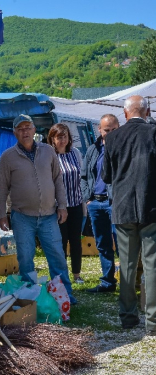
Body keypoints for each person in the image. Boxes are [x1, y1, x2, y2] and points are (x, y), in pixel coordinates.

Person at [0, 114, 77, 305]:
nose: (25, 132)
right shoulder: (8, 157)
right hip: (22, 216)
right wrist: (1, 215)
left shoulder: (48, 151)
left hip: (49, 215)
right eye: (21, 129)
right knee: (25, 258)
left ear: (34, 130)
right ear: (15, 132)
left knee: (57, 255)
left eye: (28, 127)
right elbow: (1, 188)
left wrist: (62, 206)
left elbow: (58, 179)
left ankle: (65, 294)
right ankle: (29, 297)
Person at [102, 95, 156, 333]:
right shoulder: (154, 133)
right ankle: (153, 322)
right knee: (153, 265)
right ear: (147, 112)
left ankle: (128, 317)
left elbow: (106, 176)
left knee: (127, 265)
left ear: (124, 114)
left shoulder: (112, 138)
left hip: (123, 208)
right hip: (151, 207)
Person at [80, 114, 119, 293]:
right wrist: (88, 199)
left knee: (121, 244)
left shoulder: (123, 148)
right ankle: (108, 282)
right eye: (106, 130)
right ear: (99, 130)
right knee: (102, 244)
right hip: (96, 203)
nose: (109, 133)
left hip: (116, 203)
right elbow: (84, 176)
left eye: (113, 130)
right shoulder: (92, 149)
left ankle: (127, 283)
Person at [47, 123, 85, 284]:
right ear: (52, 139)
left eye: (65, 136)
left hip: (76, 204)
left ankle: (76, 274)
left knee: (76, 240)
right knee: (61, 242)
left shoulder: (75, 153)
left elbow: (82, 176)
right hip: (59, 207)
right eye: (59, 137)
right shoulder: (50, 157)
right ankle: (61, 276)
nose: (62, 140)